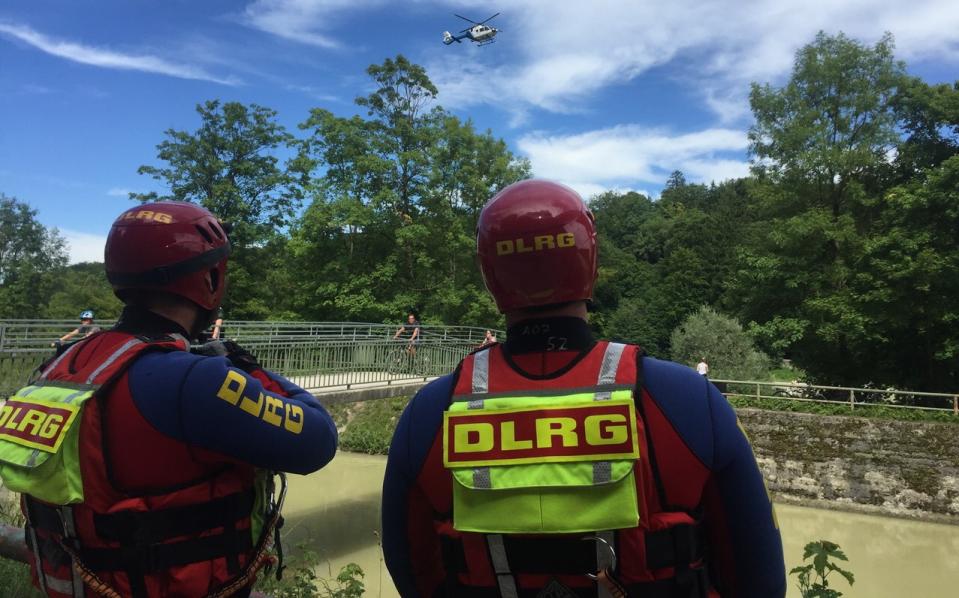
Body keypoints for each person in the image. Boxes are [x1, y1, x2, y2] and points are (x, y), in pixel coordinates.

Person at [381, 180, 785, 597]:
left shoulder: (428, 414)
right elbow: (762, 581)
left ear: (490, 271)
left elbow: (414, 576)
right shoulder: (687, 400)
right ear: (588, 259)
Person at [0, 202, 338, 598]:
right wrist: (242, 365)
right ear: (211, 279)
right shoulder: (192, 380)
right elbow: (319, 439)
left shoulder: (62, 365)